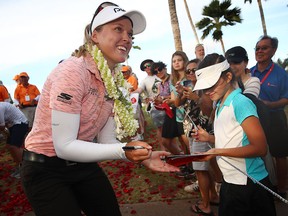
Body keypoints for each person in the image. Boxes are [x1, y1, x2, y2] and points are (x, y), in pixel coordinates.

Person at [20, 2, 179, 216]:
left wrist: (142, 156)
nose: (127, 38)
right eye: (118, 29)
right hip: (45, 168)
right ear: (95, 35)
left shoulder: (113, 80)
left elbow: (107, 142)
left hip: (82, 164)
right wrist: (125, 150)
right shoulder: (73, 70)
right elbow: (64, 146)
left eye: (130, 34)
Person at [191, 53, 276, 216]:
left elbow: (260, 148)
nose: (208, 91)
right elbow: (235, 140)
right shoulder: (221, 103)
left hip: (249, 184)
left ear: (228, 76)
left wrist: (218, 152)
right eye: (205, 87)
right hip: (230, 181)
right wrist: (209, 138)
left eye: (212, 85)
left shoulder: (241, 103)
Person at [175, 59, 219, 214]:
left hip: (203, 133)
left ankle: (205, 206)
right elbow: (178, 104)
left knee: (200, 170)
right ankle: (213, 196)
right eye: (188, 71)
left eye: (195, 70)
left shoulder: (206, 88)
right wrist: (182, 93)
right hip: (194, 133)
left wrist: (196, 98)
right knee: (203, 169)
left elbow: (208, 112)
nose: (191, 73)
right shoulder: (192, 87)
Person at [250, 35, 288, 198]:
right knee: (256, 153)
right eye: (257, 48)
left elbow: (286, 98)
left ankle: (282, 188)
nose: (259, 51)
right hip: (254, 119)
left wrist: (268, 105)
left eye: (264, 48)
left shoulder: (281, 74)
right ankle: (263, 187)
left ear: (273, 50)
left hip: (274, 118)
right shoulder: (249, 72)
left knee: (279, 155)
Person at [0, 102, 28, 178]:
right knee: (9, 146)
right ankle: (20, 166)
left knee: (14, 147)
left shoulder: (0, 107)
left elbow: (2, 127)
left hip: (21, 123)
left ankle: (23, 168)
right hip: (13, 125)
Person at [121, 65, 144, 141]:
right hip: (125, 102)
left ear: (128, 72)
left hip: (134, 100)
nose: (123, 73)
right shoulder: (121, 80)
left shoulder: (132, 78)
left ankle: (140, 134)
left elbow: (132, 89)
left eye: (125, 72)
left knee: (137, 117)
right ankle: (132, 135)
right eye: (122, 72)